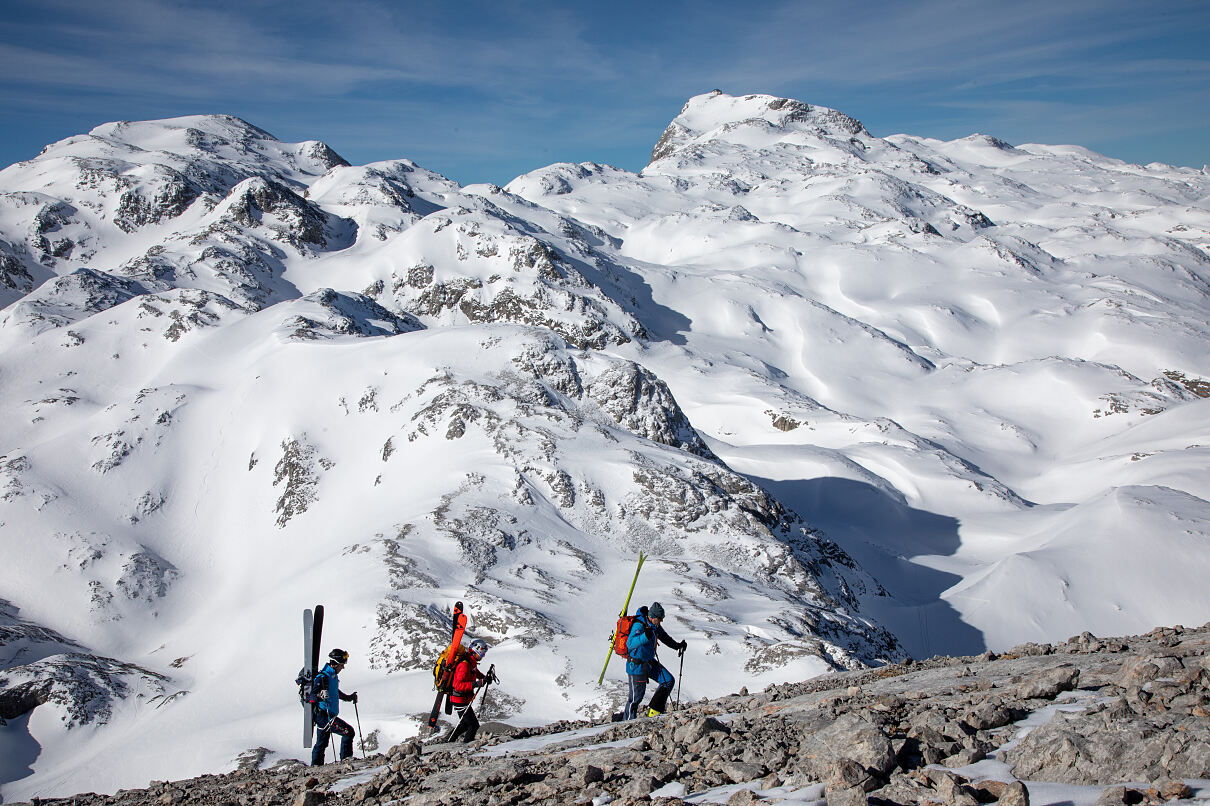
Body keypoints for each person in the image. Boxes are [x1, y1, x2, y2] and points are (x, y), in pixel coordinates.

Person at [624, 602, 686, 719]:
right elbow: (630, 644)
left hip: (649, 662)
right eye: (660, 619)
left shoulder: (654, 626)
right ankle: (626, 723)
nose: (661, 621)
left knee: (668, 681)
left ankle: (654, 712)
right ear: (653, 617)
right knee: (635, 698)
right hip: (636, 665)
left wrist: (678, 646)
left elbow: (664, 637)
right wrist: (645, 637)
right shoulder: (639, 625)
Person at [311, 648, 358, 765]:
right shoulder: (323, 676)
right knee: (348, 732)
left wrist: (348, 697)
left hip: (326, 715)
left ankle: (315, 766)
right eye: (342, 665)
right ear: (335, 664)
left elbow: (334, 692)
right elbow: (311, 697)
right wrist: (320, 695)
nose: (343, 667)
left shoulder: (332, 676)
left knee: (321, 743)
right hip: (323, 715)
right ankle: (346, 761)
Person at [447, 639, 497, 743]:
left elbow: (475, 672)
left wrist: (484, 678)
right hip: (459, 698)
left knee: (465, 724)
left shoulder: (471, 662)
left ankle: (449, 740)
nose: (483, 656)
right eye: (482, 653)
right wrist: (478, 683)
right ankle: (466, 746)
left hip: (462, 698)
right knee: (473, 725)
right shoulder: (465, 665)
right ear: (476, 651)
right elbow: (457, 685)